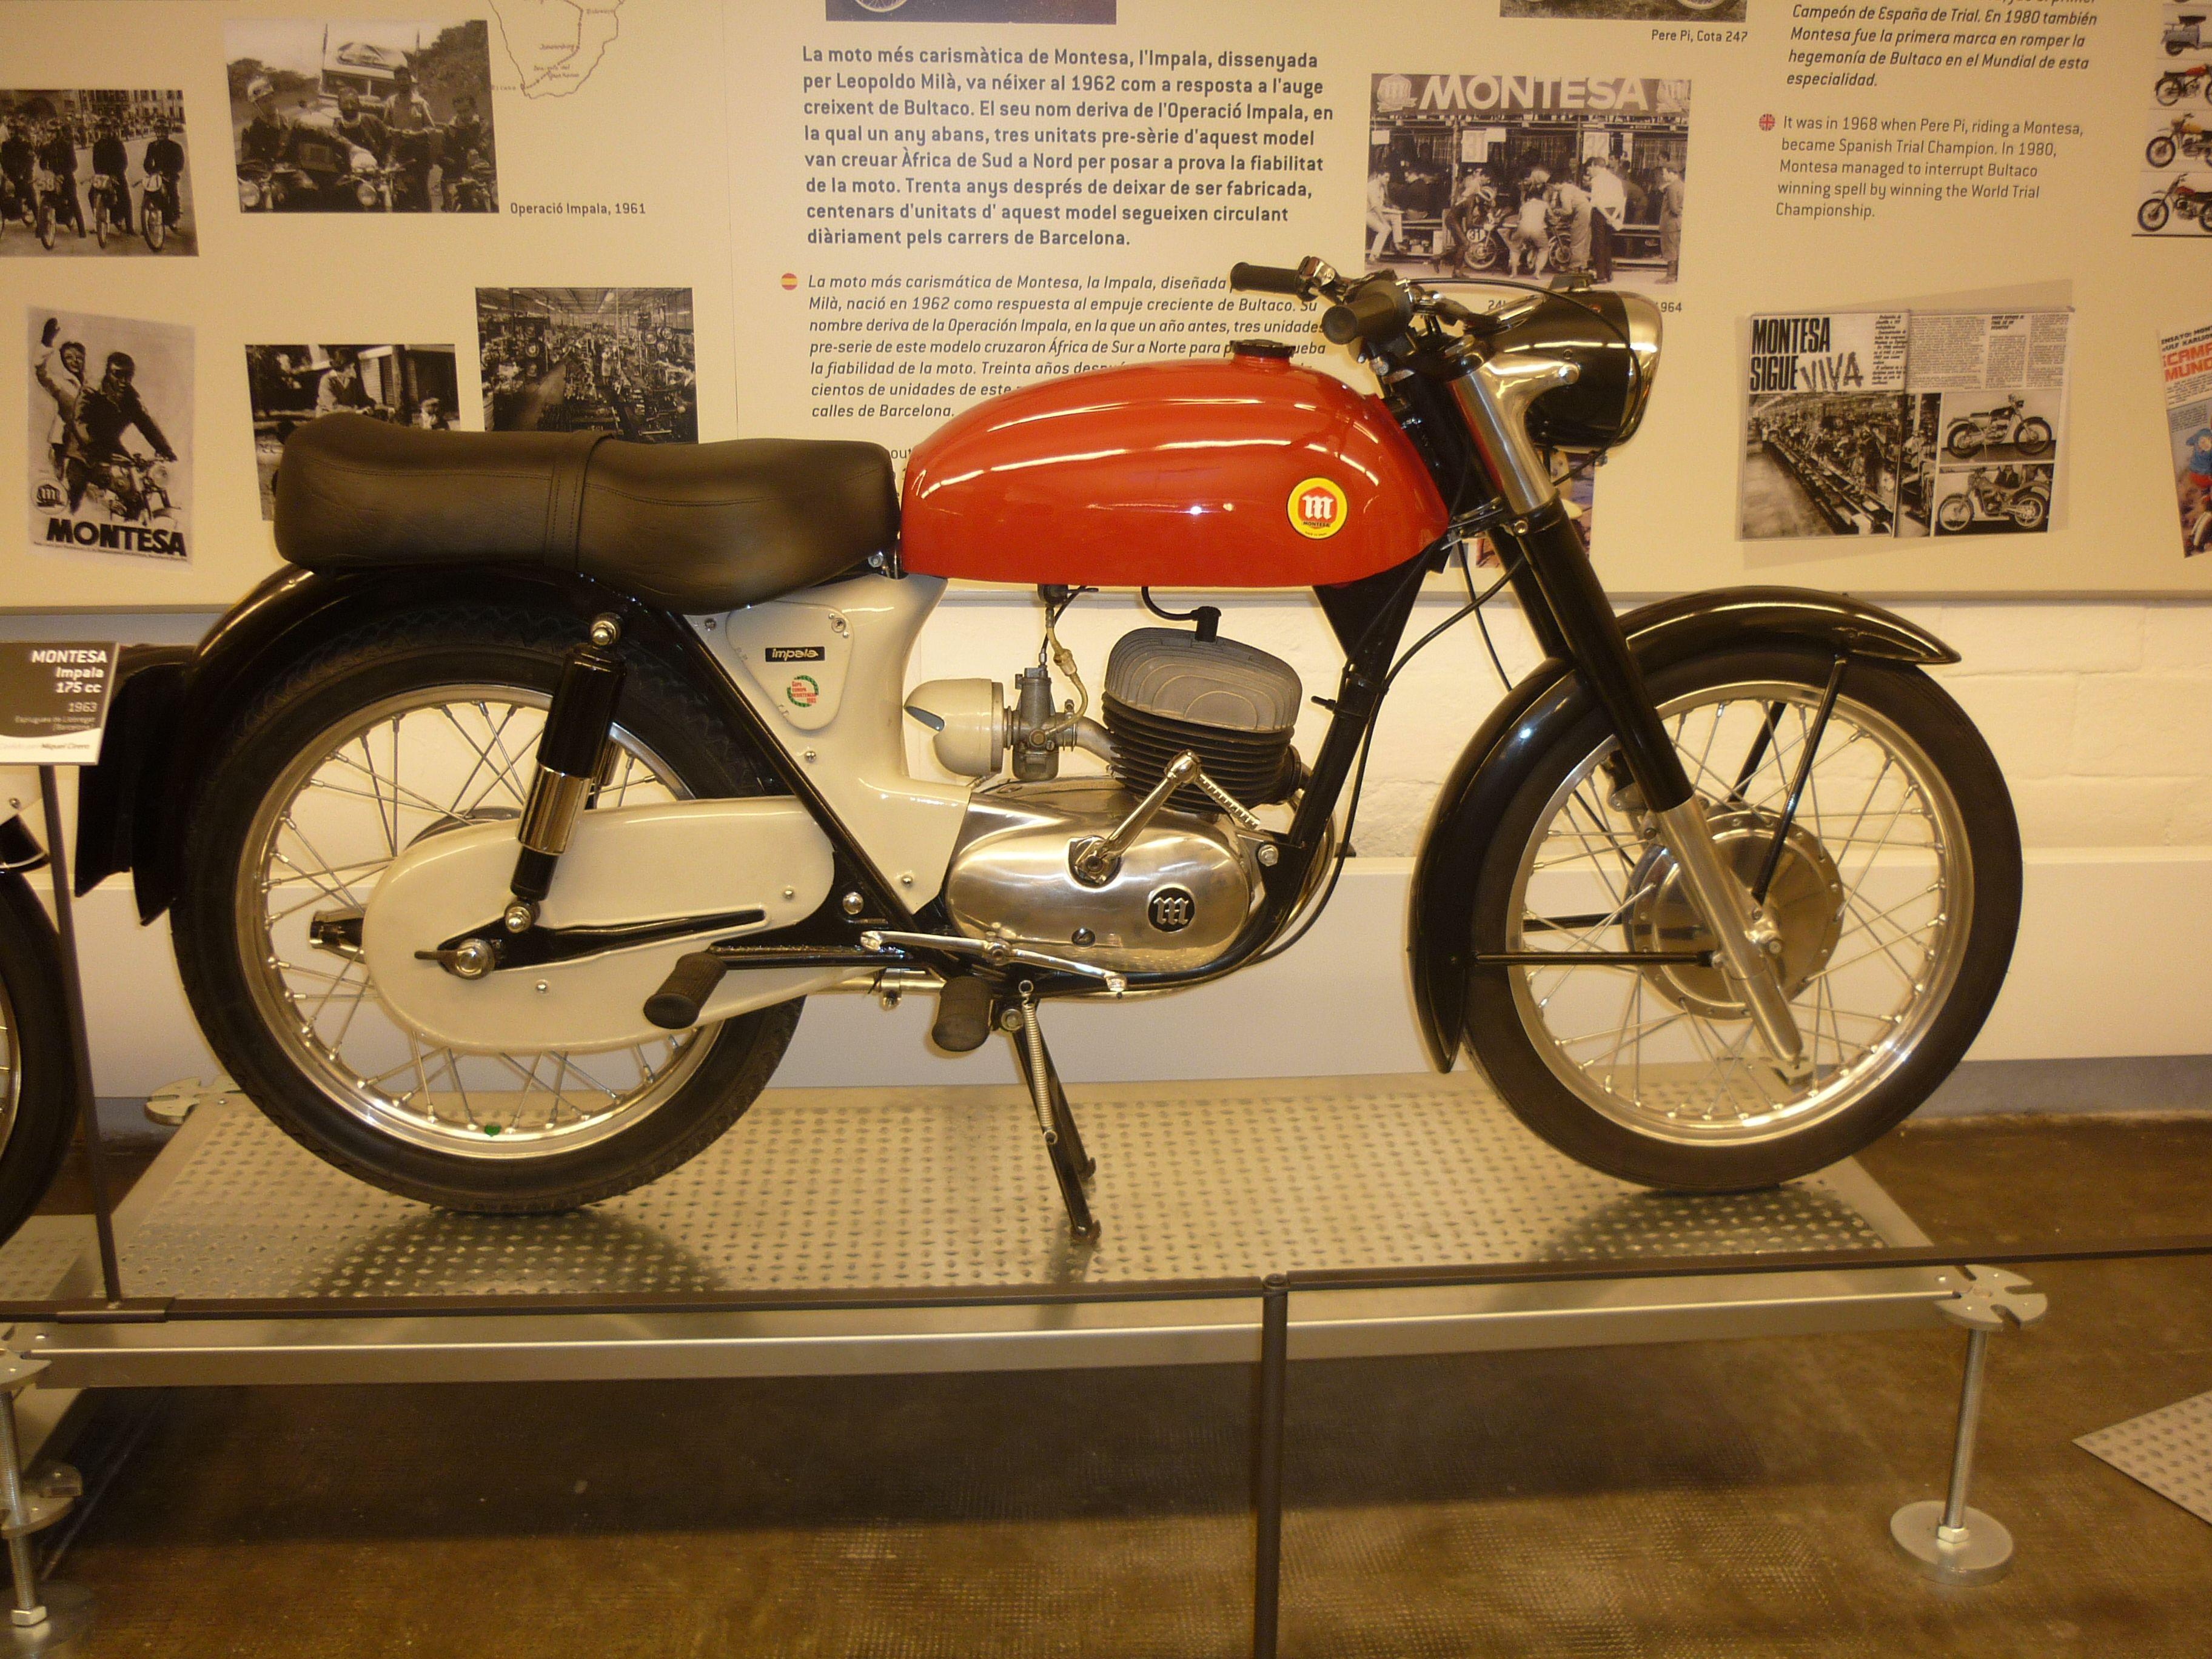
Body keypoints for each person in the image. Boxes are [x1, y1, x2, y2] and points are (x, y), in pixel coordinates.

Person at [65, 350, 175, 512]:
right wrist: (97, 449)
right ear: (108, 373)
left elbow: (146, 424)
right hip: (83, 452)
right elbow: (80, 423)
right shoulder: (91, 391)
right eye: (118, 375)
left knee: (135, 497)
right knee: (75, 500)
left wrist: (165, 449)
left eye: (128, 376)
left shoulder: (131, 398)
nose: (124, 381)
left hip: (111, 449)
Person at [33, 318, 86, 484]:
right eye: (69, 357)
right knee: (59, 482)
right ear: (63, 360)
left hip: (84, 445)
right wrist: (46, 342)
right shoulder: (60, 382)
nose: (75, 361)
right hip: (62, 443)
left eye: (79, 357)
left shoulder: (89, 385)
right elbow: (41, 374)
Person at [381, 64, 435, 212]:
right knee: (399, 189)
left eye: (405, 79)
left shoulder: (421, 103)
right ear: (395, 82)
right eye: (399, 80)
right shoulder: (391, 102)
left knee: (421, 190)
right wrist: (394, 131)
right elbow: (385, 125)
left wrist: (416, 134)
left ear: (410, 81)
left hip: (420, 153)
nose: (402, 83)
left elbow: (431, 128)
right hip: (400, 151)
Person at [36, 117, 84, 238]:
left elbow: (74, 165)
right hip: (53, 179)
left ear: (58, 133)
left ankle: (82, 229)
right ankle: (40, 227)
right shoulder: (47, 147)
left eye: (53, 132)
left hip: (66, 178)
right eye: (49, 132)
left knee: (73, 199)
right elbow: (42, 163)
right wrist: (48, 171)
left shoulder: (67, 146)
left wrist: (63, 174)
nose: (50, 135)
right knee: (43, 196)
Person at [441, 91, 490, 209]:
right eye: (459, 112)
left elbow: (485, 150)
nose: (463, 115)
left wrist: (472, 133)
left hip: (481, 174)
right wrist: (462, 162)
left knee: (490, 202)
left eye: (466, 110)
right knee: (455, 202)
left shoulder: (483, 125)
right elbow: (443, 156)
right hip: (457, 174)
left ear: (474, 109)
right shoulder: (450, 128)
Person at [1443, 169, 1495, 273]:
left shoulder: (1476, 199)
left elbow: (1484, 208)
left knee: (1461, 245)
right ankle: (1457, 272)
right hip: (1452, 220)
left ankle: (1438, 258)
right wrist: (1484, 227)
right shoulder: (1470, 202)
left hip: (1455, 219)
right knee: (1465, 244)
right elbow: (1470, 224)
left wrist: (1489, 215)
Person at [1547, 170, 1593, 276]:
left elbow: (1568, 211)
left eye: (1552, 187)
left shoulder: (1564, 192)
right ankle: (1583, 266)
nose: (1552, 189)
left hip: (1582, 213)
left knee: (1577, 239)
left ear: (1557, 184)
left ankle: (1574, 267)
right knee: (1585, 241)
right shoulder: (1571, 187)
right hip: (1588, 212)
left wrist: (1557, 211)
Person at [238, 77, 292, 169]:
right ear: (256, 106)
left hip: (289, 172)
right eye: (265, 101)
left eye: (271, 99)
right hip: (264, 174)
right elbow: (247, 165)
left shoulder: (286, 123)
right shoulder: (250, 131)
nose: (270, 104)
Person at [1586, 159, 1626, 281]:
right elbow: (1621, 200)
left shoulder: (1597, 180)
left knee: (1598, 244)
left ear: (1596, 166)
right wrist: (1614, 217)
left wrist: (1606, 216)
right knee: (1608, 244)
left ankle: (1601, 275)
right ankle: (1609, 274)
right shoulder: (1616, 180)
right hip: (1613, 211)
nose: (1591, 171)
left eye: (1592, 168)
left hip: (1600, 213)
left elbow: (1596, 202)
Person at [90, 118, 132, 233]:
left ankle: (130, 227)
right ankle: (98, 222)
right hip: (103, 177)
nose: (103, 132)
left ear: (110, 130)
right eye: (101, 130)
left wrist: (115, 175)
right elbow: (95, 163)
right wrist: (99, 175)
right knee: (91, 194)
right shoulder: (97, 145)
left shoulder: (117, 143)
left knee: (124, 195)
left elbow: (123, 162)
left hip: (116, 175)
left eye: (105, 130)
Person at [1509, 169, 1551, 276]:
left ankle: (1514, 271)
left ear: (1529, 198)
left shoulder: (1525, 205)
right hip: (1538, 229)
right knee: (1544, 248)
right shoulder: (1544, 204)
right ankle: (1537, 272)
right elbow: (1551, 216)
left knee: (1515, 248)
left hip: (1523, 228)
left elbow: (1519, 219)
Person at [332, 92, 386, 167]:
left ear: (359, 105)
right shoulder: (338, 126)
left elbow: (389, 139)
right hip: (348, 169)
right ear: (339, 106)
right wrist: (352, 147)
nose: (350, 107)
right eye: (345, 103)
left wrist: (385, 161)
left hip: (376, 167)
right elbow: (333, 136)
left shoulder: (373, 120)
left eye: (353, 103)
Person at [315, 346, 372, 415]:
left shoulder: (351, 379)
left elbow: (363, 398)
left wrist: (374, 406)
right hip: (328, 416)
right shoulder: (326, 381)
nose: (353, 370)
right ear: (341, 367)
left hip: (347, 415)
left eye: (353, 367)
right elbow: (333, 407)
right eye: (349, 367)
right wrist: (356, 411)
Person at [0, 117, 34, 223]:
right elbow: (3, 160)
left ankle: (39, 222)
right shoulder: (5, 145)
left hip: (22, 175)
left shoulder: (24, 144)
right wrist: (5, 173)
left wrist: (24, 174)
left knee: (30, 194)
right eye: (9, 129)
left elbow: (29, 161)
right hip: (10, 175)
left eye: (13, 130)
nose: (11, 132)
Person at [1364, 169, 1403, 262]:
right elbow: (1375, 207)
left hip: (1377, 213)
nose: (1388, 180)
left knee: (1396, 216)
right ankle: (1373, 256)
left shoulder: (1381, 187)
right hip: (1368, 214)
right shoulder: (1372, 187)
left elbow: (1381, 204)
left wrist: (1392, 208)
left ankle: (1397, 244)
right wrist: (1384, 222)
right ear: (1379, 176)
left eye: (1389, 177)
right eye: (1386, 177)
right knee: (1385, 229)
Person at [1658, 163, 1684, 284]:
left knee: (1670, 250)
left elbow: (1674, 208)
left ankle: (1670, 276)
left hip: (1670, 223)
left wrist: (1680, 212)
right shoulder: (1681, 185)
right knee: (1676, 249)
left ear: (1672, 173)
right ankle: (1676, 275)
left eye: (1665, 173)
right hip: (1677, 224)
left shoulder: (1672, 188)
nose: (1663, 176)